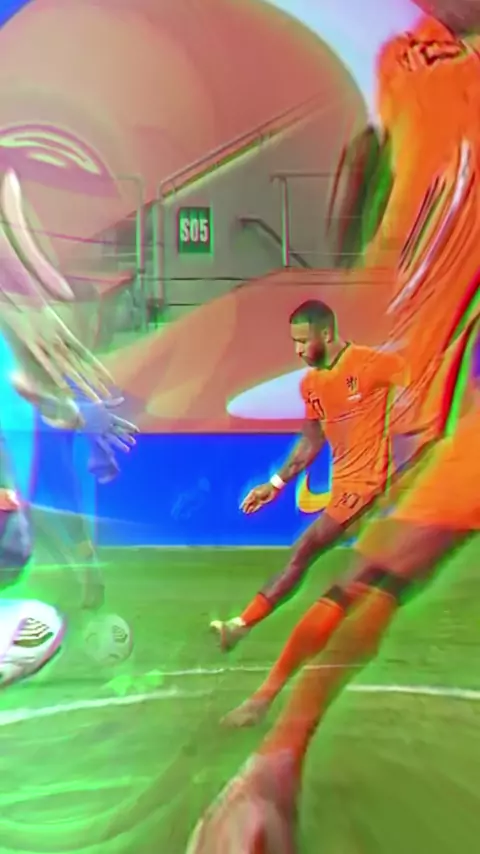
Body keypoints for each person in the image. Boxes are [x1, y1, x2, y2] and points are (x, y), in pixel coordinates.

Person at [210, 298, 408, 652]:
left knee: (306, 549)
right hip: (343, 487)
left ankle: (240, 626)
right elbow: (311, 441)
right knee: (347, 564)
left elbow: (421, 379)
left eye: (303, 341)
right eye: (294, 342)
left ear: (326, 334)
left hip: (367, 486)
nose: (297, 350)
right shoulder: (311, 385)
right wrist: (274, 485)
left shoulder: (371, 364)